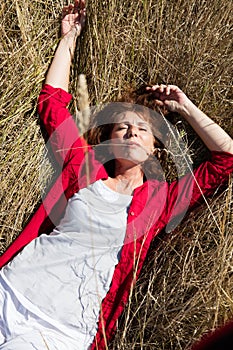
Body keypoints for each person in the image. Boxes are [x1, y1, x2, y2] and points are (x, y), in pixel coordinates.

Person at [0, 1, 232, 349]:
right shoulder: (84, 168)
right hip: (13, 288)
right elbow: (52, 103)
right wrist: (69, 38)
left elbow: (225, 157)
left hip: (64, 332)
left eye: (142, 128)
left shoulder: (163, 201)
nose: (130, 132)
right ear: (108, 139)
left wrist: (185, 106)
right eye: (121, 127)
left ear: (156, 146)